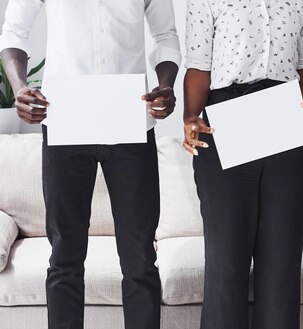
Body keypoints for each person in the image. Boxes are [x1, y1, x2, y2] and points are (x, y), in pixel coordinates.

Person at [0, 1, 181, 328]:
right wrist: (19, 87)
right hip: (66, 122)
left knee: (140, 258)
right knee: (64, 258)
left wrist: (166, 84)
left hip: (131, 124)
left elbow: (165, 35)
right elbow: (14, 31)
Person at [182, 1, 303, 328]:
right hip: (224, 124)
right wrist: (190, 117)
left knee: (281, 264)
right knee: (226, 265)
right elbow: (198, 66)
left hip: (285, 121)